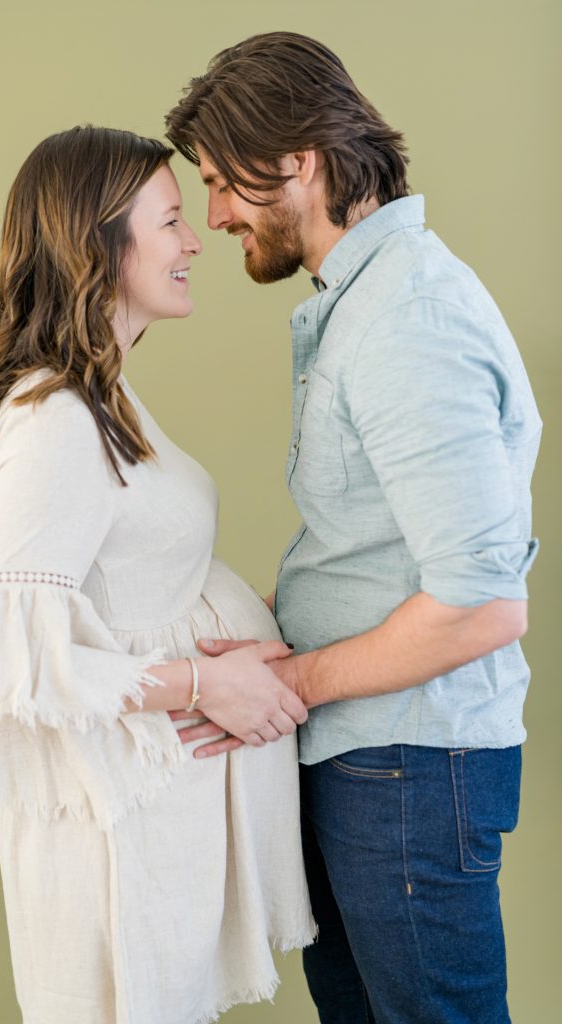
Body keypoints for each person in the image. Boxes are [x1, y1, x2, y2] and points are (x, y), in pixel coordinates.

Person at [165, 31, 542, 1024]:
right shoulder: (367, 304)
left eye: (221, 183)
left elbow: (480, 605)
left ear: (299, 162)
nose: (213, 216)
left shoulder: (405, 318)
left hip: (407, 771)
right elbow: (372, 555)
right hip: (373, 764)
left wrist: (289, 682)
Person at [0, 125, 316, 1024]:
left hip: (150, 824)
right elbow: (9, 662)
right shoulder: (53, 416)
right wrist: (206, 683)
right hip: (110, 840)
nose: (193, 241)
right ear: (97, 244)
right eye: (170, 220)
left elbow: (133, 588)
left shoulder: (103, 395)